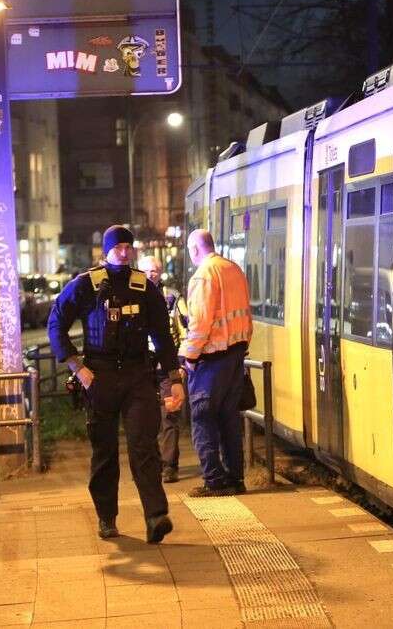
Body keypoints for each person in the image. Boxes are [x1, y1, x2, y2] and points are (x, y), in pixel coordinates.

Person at [47, 225, 184, 543]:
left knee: (144, 447)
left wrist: (173, 379)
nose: (124, 252)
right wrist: (76, 366)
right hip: (100, 378)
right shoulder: (87, 285)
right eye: (118, 247)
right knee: (104, 452)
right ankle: (106, 518)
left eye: (128, 247)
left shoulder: (143, 286)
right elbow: (56, 323)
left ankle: (155, 516)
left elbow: (162, 336)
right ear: (106, 250)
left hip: (138, 376)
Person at [179, 229, 252, 497]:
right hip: (235, 356)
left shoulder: (203, 276)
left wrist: (189, 356)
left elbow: (199, 324)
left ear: (195, 249)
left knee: (203, 418)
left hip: (210, 360)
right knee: (230, 420)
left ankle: (214, 480)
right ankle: (236, 478)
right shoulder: (234, 269)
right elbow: (246, 314)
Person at [136, 255, 189, 483]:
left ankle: (169, 466)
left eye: (155, 271)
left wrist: (181, 363)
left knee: (170, 415)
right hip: (141, 368)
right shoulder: (133, 296)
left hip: (167, 367)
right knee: (145, 418)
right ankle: (152, 463)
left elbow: (186, 331)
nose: (151, 275)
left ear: (160, 273)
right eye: (147, 271)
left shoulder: (173, 299)